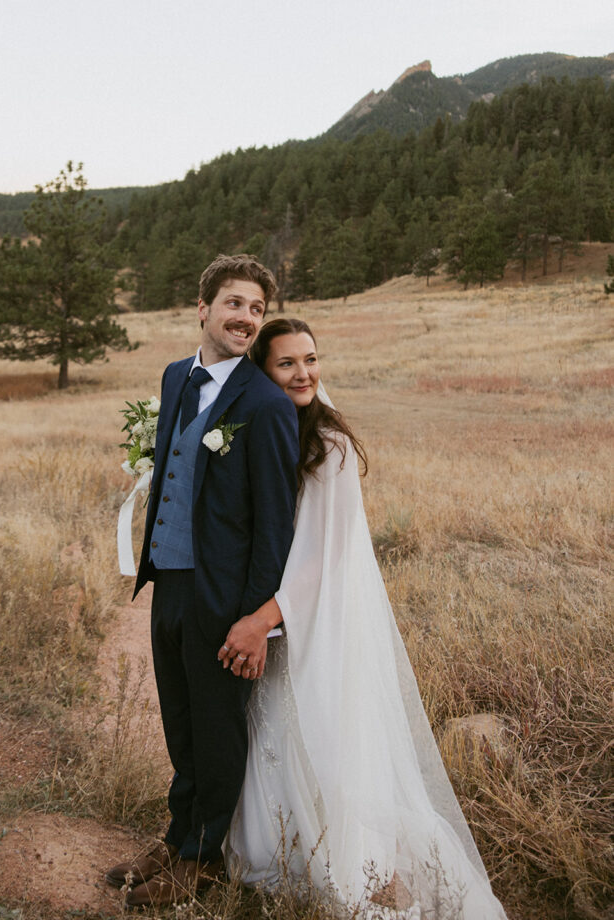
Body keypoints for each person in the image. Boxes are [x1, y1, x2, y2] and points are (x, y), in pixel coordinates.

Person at [222, 318, 508, 920]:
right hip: (278, 616)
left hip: (317, 620)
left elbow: (323, 561)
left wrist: (261, 618)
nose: (304, 373)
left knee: (324, 733)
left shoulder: (331, 446)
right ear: (263, 373)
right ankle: (287, 842)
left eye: (311, 360)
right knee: (276, 729)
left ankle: (363, 866)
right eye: (287, 364)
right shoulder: (266, 431)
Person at [105, 257, 299, 908]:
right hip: (171, 584)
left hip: (224, 598)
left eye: (255, 308)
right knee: (182, 723)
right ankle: (178, 834)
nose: (245, 317)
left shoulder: (267, 405)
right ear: (203, 309)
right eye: (233, 303)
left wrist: (256, 619)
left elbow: (275, 524)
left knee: (217, 730)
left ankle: (201, 862)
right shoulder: (173, 377)